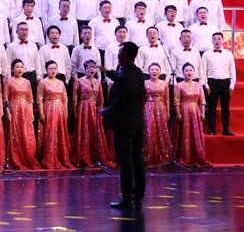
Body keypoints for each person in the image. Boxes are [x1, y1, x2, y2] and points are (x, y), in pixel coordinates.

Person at [101, 42, 146, 210]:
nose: (118, 55)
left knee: (126, 163)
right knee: (138, 160)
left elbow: (118, 104)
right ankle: (138, 196)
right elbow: (125, 80)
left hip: (124, 125)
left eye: (120, 52)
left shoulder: (123, 78)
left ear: (125, 56)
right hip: (137, 123)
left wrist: (104, 112)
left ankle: (127, 198)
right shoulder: (138, 72)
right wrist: (108, 72)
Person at [72, 61, 115, 168]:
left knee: (95, 130)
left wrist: (101, 111)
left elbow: (101, 98)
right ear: (85, 69)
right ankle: (83, 155)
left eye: (94, 67)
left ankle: (96, 156)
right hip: (84, 107)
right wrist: (76, 111)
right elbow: (75, 98)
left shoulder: (97, 82)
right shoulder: (79, 81)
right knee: (84, 130)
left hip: (95, 109)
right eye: (90, 67)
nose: (92, 69)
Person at [36, 60, 73, 170]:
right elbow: (39, 99)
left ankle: (61, 157)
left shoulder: (61, 83)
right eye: (50, 68)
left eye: (55, 68)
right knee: (50, 133)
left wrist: (66, 113)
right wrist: (41, 113)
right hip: (49, 109)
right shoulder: (42, 82)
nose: (53, 70)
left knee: (59, 133)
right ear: (46, 70)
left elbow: (65, 99)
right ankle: (49, 158)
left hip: (60, 110)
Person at [174, 63, 212, 167]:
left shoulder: (198, 85)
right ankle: (184, 156)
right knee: (185, 134)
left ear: (194, 72)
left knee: (195, 134)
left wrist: (203, 113)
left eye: (191, 70)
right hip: (184, 111)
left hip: (195, 111)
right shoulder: (178, 85)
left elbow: (202, 101)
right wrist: (178, 113)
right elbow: (176, 101)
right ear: (183, 73)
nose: (189, 72)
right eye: (186, 70)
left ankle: (196, 156)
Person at [4, 60, 39, 170]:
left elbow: (30, 99)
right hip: (14, 109)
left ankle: (27, 157)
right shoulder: (8, 81)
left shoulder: (27, 82)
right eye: (17, 67)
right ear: (12, 69)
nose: (19, 69)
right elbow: (6, 99)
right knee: (15, 133)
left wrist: (31, 113)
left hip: (25, 110)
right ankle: (16, 159)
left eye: (21, 67)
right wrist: (8, 112)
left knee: (26, 134)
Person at [202, 32, 236, 136]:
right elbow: (203, 71)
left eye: (219, 39)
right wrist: (206, 85)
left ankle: (226, 129)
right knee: (212, 107)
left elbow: (232, 70)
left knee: (225, 107)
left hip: (225, 82)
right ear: (212, 40)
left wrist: (232, 84)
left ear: (223, 41)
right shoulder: (206, 54)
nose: (217, 41)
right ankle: (212, 129)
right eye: (215, 39)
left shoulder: (228, 54)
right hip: (212, 82)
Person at [143, 63, 172, 166]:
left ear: (160, 72)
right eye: (152, 69)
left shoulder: (165, 84)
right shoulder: (144, 83)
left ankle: (163, 154)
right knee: (149, 130)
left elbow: (167, 100)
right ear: (148, 72)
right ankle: (149, 154)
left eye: (156, 69)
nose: (154, 71)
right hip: (148, 107)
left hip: (161, 107)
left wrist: (168, 112)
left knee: (161, 129)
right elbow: (142, 99)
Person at [6, 22, 42, 102]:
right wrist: (8, 77)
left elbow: (37, 61)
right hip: (17, 77)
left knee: (31, 101)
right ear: (16, 31)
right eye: (21, 29)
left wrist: (39, 75)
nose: (24, 32)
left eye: (26, 30)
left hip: (31, 76)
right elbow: (8, 63)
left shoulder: (33, 45)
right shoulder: (11, 46)